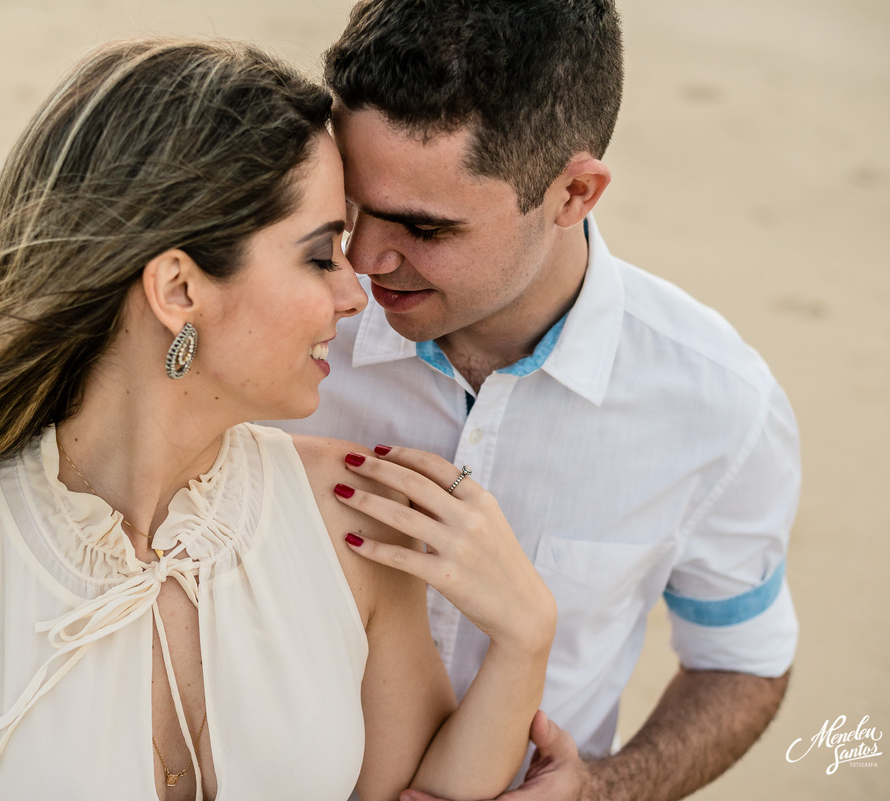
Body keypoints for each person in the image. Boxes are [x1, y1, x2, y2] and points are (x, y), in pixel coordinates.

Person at [0, 39, 557, 801]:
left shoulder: (352, 513)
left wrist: (525, 640)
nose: (355, 294)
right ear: (178, 288)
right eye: (319, 255)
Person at [274, 2, 801, 799]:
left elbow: (740, 660)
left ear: (573, 193)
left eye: (425, 227)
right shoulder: (269, 333)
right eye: (353, 203)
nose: (366, 258)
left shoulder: (721, 405)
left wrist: (606, 788)